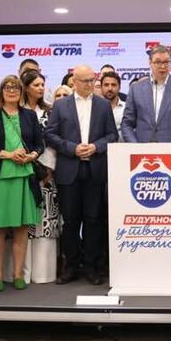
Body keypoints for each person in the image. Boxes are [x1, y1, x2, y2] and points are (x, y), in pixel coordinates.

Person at [45, 65, 118, 286]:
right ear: (74, 81)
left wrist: (96, 147)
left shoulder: (103, 105)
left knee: (94, 220)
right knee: (70, 221)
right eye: (85, 81)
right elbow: (50, 134)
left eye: (91, 80)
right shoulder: (61, 105)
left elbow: (112, 135)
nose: (89, 84)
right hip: (69, 169)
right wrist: (72, 148)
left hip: (95, 168)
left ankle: (91, 266)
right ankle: (71, 266)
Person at [0, 75, 43, 291]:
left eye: (16, 87)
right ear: (1, 91)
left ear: (22, 91)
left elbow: (39, 144)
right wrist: (8, 154)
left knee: (22, 228)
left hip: (24, 177)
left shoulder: (29, 116)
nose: (12, 90)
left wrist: (31, 155)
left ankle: (18, 274)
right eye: (7, 87)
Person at [21, 70, 60, 284]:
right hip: (20, 169)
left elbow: (53, 140)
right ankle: (21, 271)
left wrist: (48, 167)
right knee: (23, 220)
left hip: (45, 172)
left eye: (42, 84)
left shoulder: (50, 111)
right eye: (36, 85)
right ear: (26, 87)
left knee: (44, 218)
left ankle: (43, 272)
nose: (40, 88)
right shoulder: (16, 111)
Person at [121, 45, 171, 143]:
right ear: (150, 62)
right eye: (158, 62)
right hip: (142, 149)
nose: (162, 66)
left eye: (166, 62)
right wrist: (134, 145)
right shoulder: (136, 89)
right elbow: (127, 123)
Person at [100, 71, 126, 140]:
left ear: (119, 87)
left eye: (113, 85)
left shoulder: (127, 108)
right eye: (106, 85)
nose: (110, 88)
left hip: (123, 145)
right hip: (99, 146)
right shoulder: (93, 108)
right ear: (101, 87)